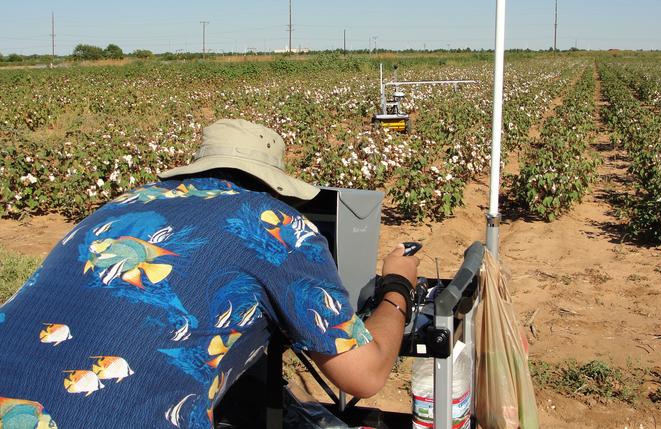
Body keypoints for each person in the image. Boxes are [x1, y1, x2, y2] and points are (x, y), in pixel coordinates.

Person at [0, 119, 419, 429]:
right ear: (273, 185)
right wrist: (397, 286)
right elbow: (365, 375)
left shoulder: (123, 204)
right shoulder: (274, 221)